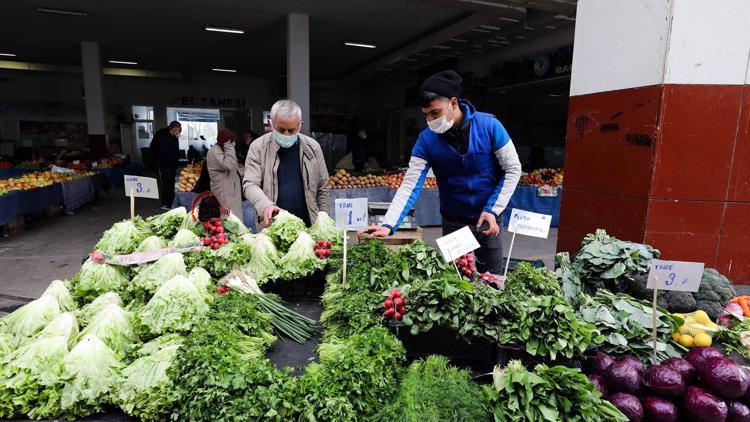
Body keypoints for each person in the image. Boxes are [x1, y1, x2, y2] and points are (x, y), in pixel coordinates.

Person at [363, 70, 522, 274]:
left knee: (491, 281)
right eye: (426, 114)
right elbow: (410, 183)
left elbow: (513, 169)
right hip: (453, 222)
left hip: (487, 221)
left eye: (435, 113)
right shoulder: (426, 140)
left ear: (453, 103)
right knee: (456, 287)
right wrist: (389, 224)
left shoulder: (490, 126)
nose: (430, 120)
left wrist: (493, 209)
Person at [243, 99, 330, 227]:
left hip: (310, 226)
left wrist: (324, 221)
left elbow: (322, 187)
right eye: (281, 129)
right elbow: (250, 184)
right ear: (270, 124)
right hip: (273, 227)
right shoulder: (258, 148)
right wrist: (266, 206)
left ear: (300, 125)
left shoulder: (313, 147)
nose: (286, 134)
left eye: (292, 130)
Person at [207, 128, 243, 218]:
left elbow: (233, 167)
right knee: (227, 219)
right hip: (224, 192)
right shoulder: (214, 151)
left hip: (231, 191)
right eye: (232, 142)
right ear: (226, 142)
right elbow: (228, 164)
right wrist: (229, 146)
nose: (234, 144)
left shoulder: (222, 150)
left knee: (234, 219)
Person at [150, 120, 181, 210]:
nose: (177, 133)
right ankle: (165, 204)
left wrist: (176, 160)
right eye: (176, 131)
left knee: (171, 183)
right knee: (165, 183)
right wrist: (157, 160)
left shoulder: (174, 135)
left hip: (172, 164)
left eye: (178, 131)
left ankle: (171, 202)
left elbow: (175, 148)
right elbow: (154, 148)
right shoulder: (162, 136)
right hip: (163, 164)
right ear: (172, 128)